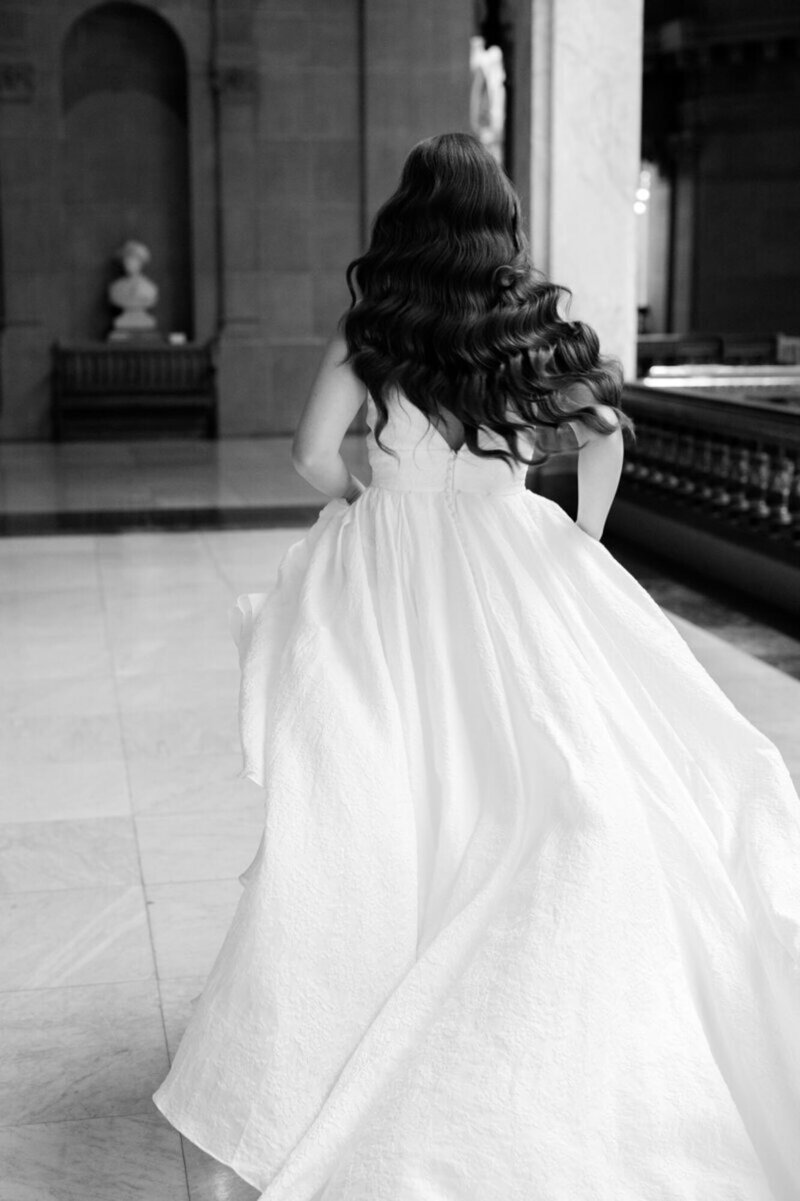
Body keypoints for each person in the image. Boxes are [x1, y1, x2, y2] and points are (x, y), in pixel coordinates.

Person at [152, 133, 800, 1200]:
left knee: (385, 796)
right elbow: (604, 435)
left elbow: (310, 454)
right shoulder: (527, 324)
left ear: (407, 216)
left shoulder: (375, 326)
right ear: (501, 221)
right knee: (546, 776)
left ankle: (349, 1005)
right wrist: (578, 541)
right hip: (513, 561)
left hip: (389, 577)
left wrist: (371, 498)